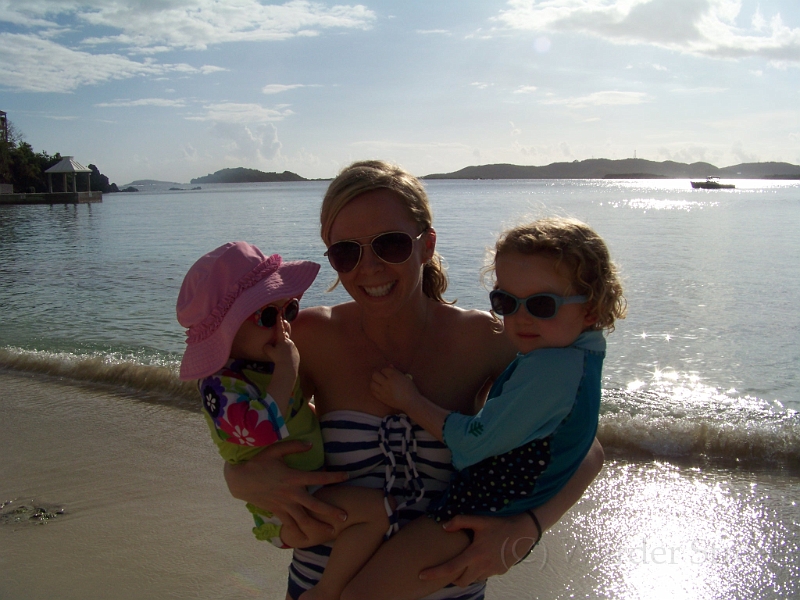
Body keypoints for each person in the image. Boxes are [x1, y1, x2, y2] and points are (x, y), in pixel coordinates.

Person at [222, 161, 607, 600]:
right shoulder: (306, 337)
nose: (369, 267)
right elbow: (243, 427)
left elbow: (583, 445)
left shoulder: (486, 338)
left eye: (390, 244)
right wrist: (239, 478)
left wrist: (527, 528)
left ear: (427, 245)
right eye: (346, 252)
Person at [343, 217, 626, 599]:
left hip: (476, 516)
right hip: (498, 514)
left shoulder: (551, 370)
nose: (520, 318)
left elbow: (472, 444)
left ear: (591, 309)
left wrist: (409, 400)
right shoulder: (577, 354)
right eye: (505, 302)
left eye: (542, 304)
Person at [176, 242, 392, 600]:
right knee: (376, 513)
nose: (284, 324)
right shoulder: (220, 386)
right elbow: (259, 430)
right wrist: (288, 370)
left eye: (289, 309)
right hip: (285, 511)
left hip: (305, 493)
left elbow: (292, 410)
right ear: (226, 333)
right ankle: (328, 592)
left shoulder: (262, 366)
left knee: (373, 515)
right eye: (266, 316)